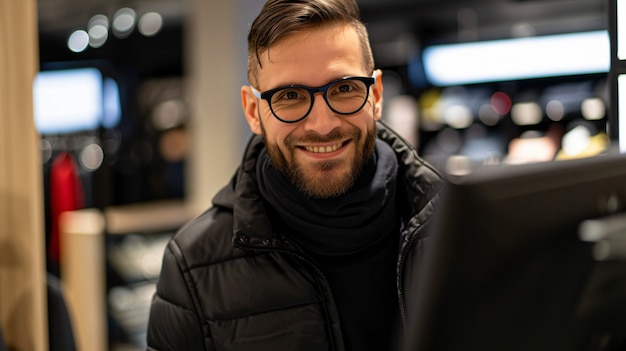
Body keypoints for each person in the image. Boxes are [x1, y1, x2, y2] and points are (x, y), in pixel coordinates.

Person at [146, 0, 443, 350]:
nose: (323, 125)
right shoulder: (193, 267)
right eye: (290, 96)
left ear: (375, 95)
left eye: (344, 88)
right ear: (253, 111)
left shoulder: (456, 224)